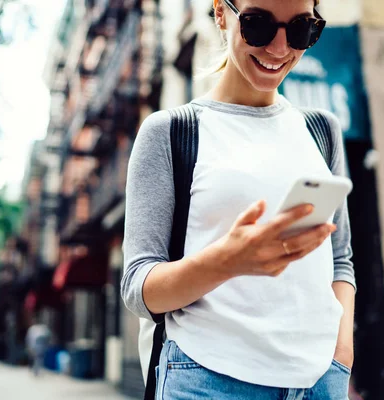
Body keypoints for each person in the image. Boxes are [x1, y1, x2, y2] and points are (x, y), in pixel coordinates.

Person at [121, 0, 356, 398]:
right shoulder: (172, 132)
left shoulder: (321, 130)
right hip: (209, 379)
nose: (280, 49)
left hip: (320, 381)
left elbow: (340, 259)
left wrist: (340, 354)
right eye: (258, 25)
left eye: (300, 29)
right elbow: (138, 288)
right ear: (220, 13)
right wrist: (227, 260)